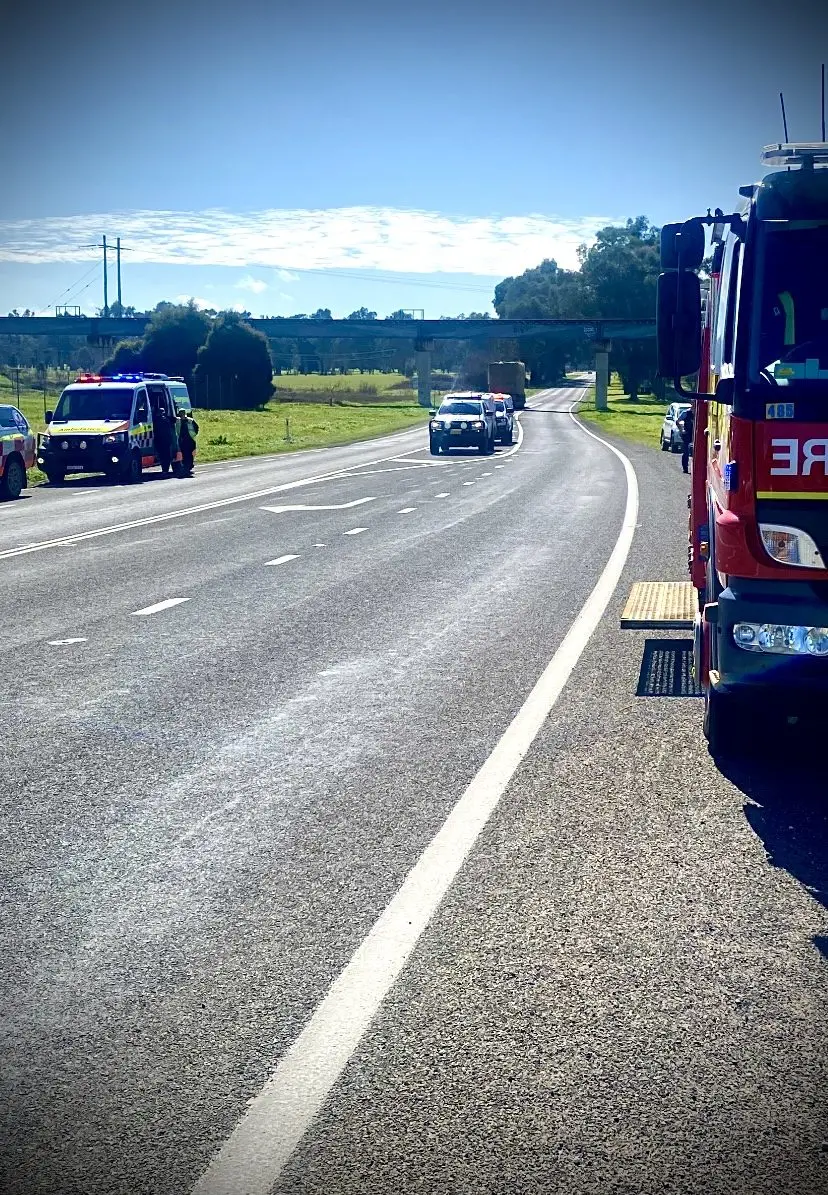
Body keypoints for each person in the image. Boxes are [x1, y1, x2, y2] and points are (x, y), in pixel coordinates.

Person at [152, 401, 173, 475]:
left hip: (160, 440)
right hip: (166, 440)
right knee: (166, 455)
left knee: (162, 456)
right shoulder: (167, 419)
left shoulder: (156, 420)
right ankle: (165, 469)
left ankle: (164, 469)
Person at [177, 408, 199, 476]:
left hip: (190, 440)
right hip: (182, 440)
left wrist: (194, 434)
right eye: (180, 413)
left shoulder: (190, 420)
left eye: (182, 413)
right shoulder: (178, 421)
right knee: (184, 454)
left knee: (190, 454)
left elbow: (196, 428)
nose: (182, 415)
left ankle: (189, 466)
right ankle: (186, 467)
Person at [677, 404, 694, 474]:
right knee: (686, 452)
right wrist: (682, 430)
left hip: (696, 435)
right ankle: (685, 468)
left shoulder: (700, 413)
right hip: (687, 434)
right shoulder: (686, 413)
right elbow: (678, 421)